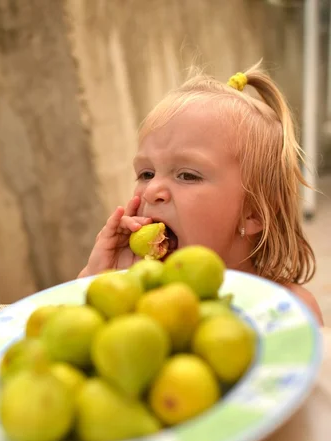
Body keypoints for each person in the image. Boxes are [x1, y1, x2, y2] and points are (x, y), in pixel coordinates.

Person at [78, 63, 323, 325]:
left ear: (253, 212)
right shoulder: (140, 301)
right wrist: (97, 280)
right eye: (146, 174)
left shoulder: (290, 310)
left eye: (187, 175)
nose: (151, 191)